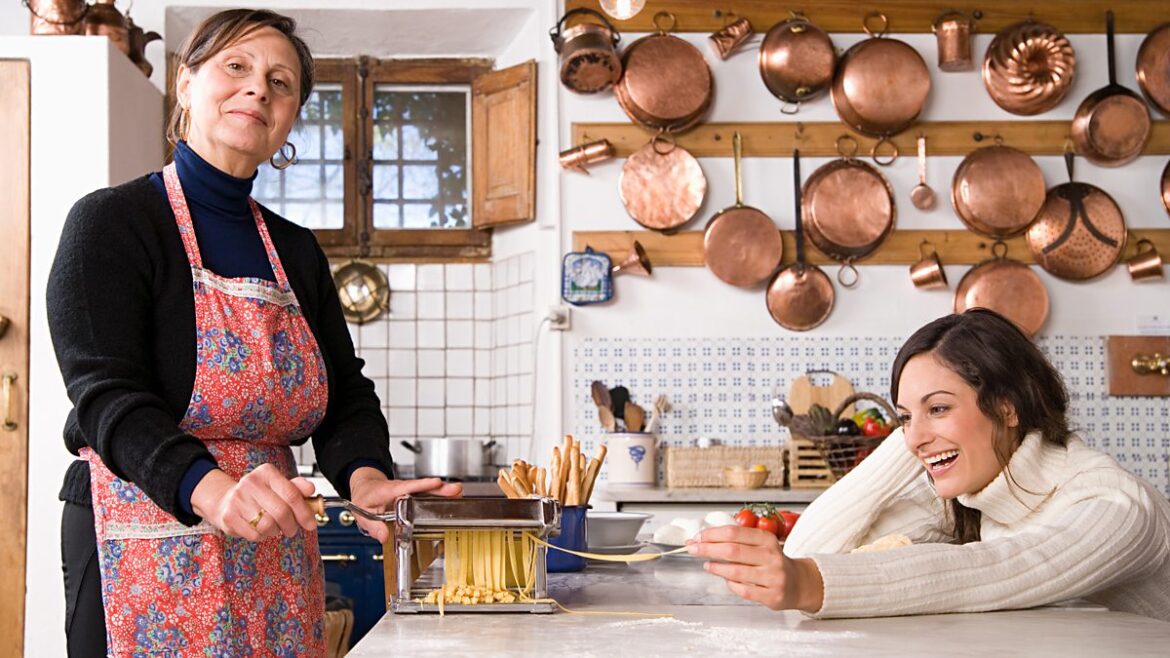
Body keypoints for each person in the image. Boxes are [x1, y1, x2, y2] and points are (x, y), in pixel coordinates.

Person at [47, 9, 460, 656]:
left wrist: (366, 479)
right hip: (144, 519)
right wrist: (211, 491)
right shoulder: (111, 224)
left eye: (281, 82)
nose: (258, 89)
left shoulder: (294, 251)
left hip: (272, 535)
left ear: (290, 117)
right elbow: (106, 397)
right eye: (235, 67)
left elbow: (344, 395)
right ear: (185, 84)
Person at [689, 308, 1170, 622]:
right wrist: (915, 435)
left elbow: (1000, 567)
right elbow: (813, 548)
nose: (913, 436)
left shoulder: (1116, 505)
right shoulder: (969, 494)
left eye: (939, 407)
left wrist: (809, 582)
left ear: (1007, 407)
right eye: (903, 416)